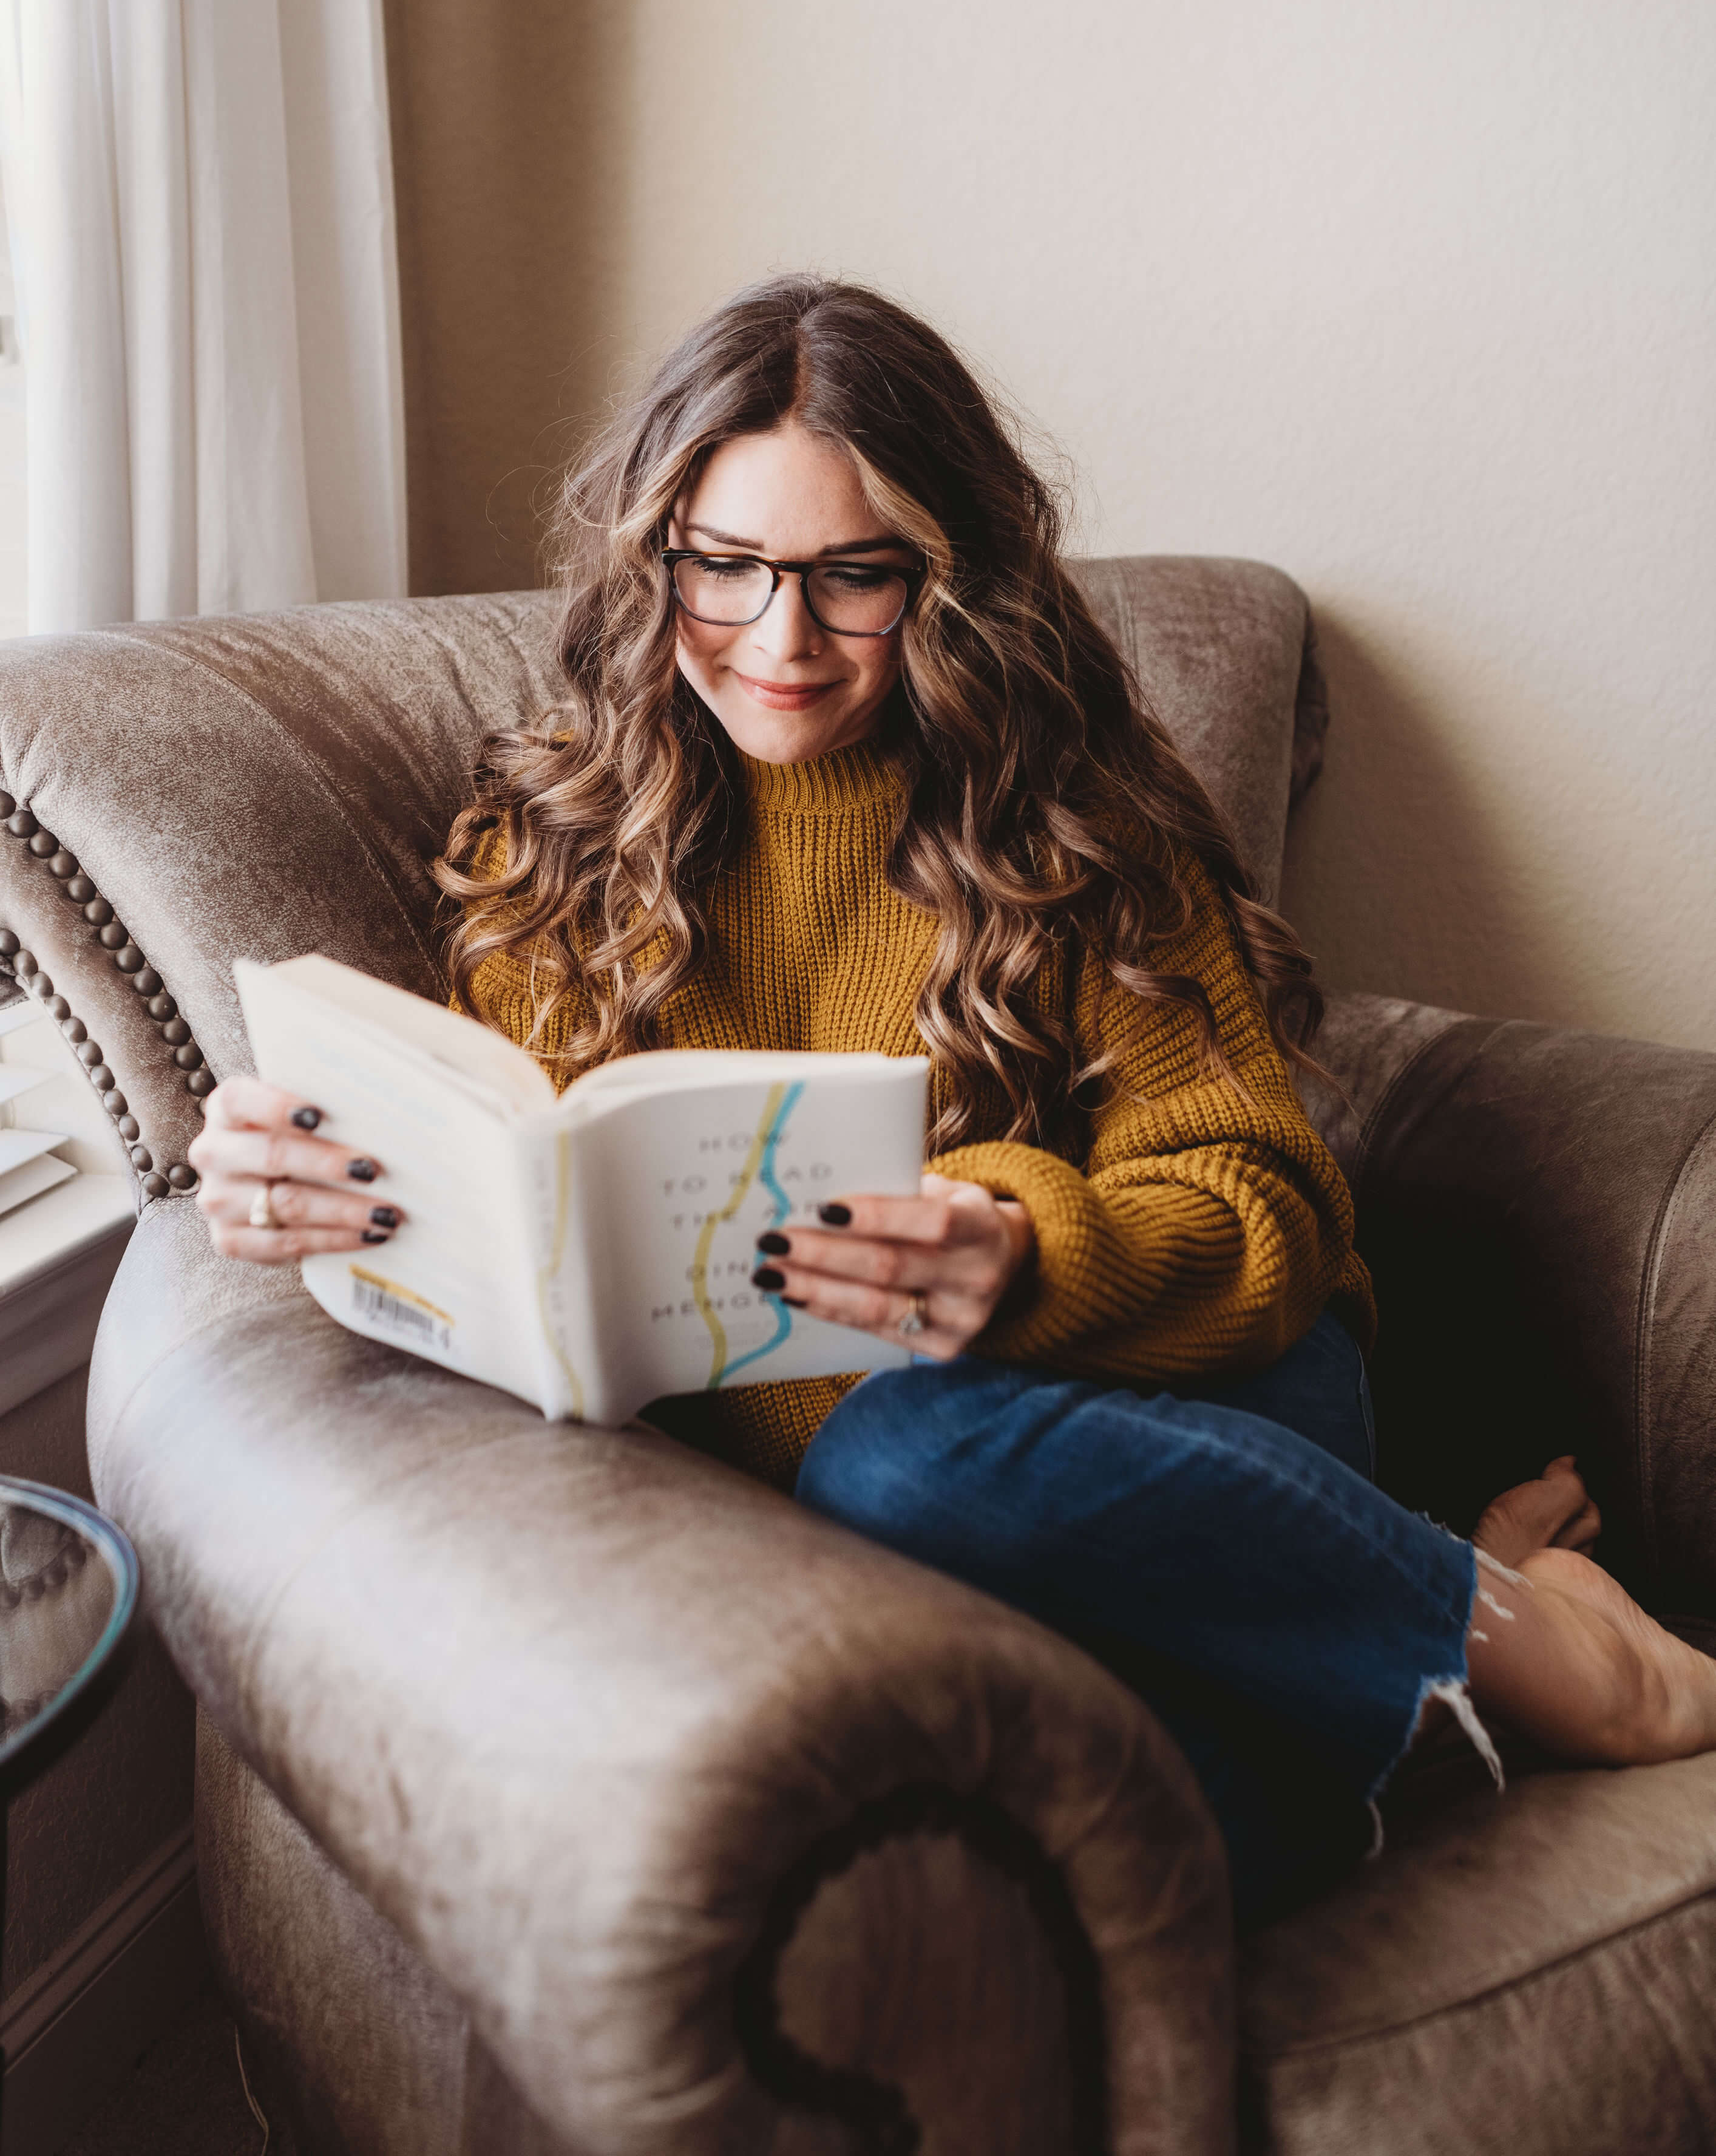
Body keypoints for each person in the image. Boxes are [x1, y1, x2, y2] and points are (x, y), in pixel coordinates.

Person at [188, 274, 1716, 1928]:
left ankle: (1545, 1652)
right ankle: (1414, 1644)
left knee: (898, 1455)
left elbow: (1264, 1206)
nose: (780, 641)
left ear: (951, 579)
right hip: (901, 1563)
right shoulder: (549, 846)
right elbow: (511, 1198)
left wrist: (1020, 1253)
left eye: (856, 579)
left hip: (1191, 1408)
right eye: (726, 569)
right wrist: (319, 1184)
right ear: (657, 560)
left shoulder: (1074, 823)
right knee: (1068, 1855)